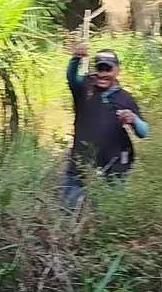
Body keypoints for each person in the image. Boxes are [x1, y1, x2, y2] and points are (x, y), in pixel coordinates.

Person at [62, 44, 149, 207]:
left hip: (113, 167)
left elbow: (143, 131)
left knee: (111, 212)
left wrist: (133, 120)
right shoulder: (84, 88)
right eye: (99, 69)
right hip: (80, 165)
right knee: (68, 211)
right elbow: (71, 77)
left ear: (117, 71)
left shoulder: (125, 98)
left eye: (108, 69)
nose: (103, 74)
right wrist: (76, 59)